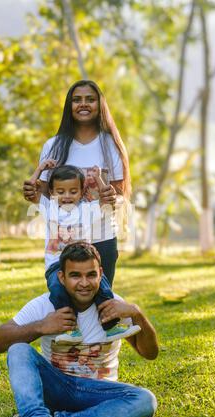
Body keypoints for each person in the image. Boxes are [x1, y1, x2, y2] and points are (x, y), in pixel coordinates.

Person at [0, 242, 158, 417]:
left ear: (101, 274)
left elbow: (150, 353)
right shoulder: (46, 305)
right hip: (59, 388)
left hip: (99, 395)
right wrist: (42, 326)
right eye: (75, 275)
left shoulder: (114, 306)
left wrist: (136, 313)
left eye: (91, 275)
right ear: (62, 277)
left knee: (145, 401)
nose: (84, 283)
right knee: (18, 349)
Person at [23, 79, 131, 290]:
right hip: (64, 243)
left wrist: (112, 199)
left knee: (102, 301)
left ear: (100, 105)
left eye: (90, 99)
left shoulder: (111, 146)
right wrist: (31, 191)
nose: (83, 104)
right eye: (77, 100)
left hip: (103, 238)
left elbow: (120, 194)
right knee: (65, 302)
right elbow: (44, 196)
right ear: (69, 106)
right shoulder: (52, 146)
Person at [28, 161, 140, 343]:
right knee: (57, 291)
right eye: (60, 191)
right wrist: (40, 169)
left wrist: (98, 178)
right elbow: (32, 188)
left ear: (81, 192)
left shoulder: (88, 209)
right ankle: (71, 330)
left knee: (104, 289)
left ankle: (110, 327)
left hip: (85, 264)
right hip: (56, 264)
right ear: (52, 193)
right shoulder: (49, 207)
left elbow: (107, 201)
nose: (66, 196)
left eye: (73, 191)